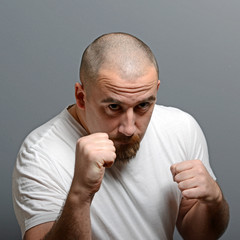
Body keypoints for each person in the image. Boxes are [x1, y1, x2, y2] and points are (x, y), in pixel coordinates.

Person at [12, 32, 229, 240]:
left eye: (143, 105)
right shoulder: (40, 154)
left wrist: (214, 200)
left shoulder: (181, 128)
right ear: (81, 97)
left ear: (156, 90)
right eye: (114, 106)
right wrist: (80, 194)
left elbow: (200, 235)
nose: (129, 128)